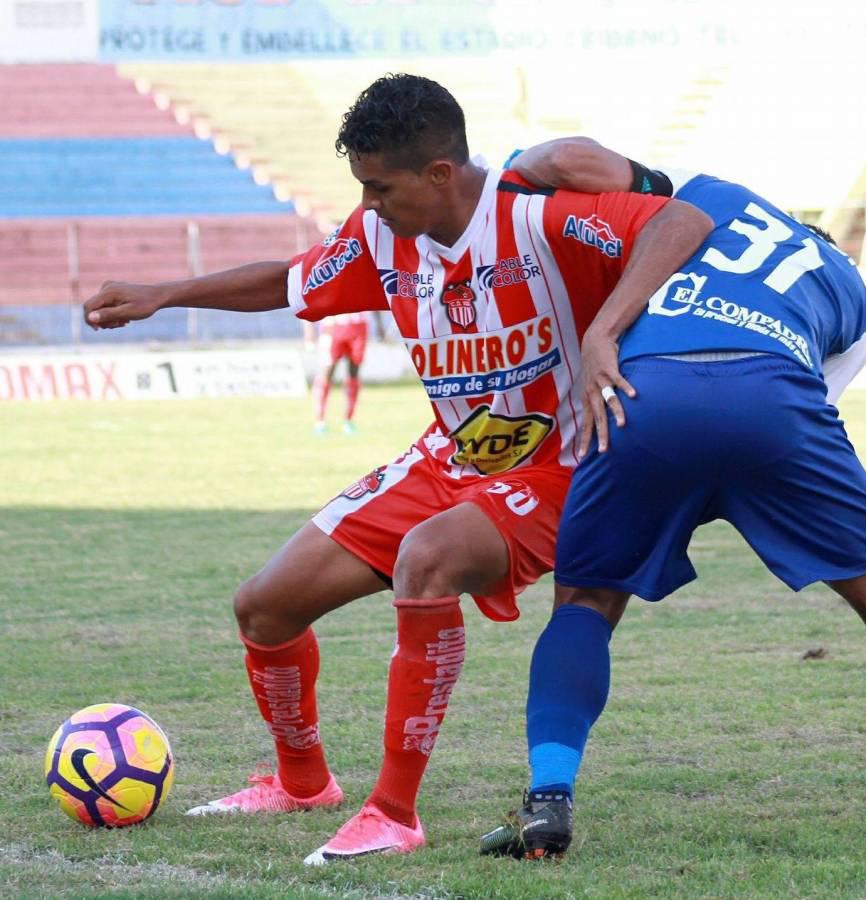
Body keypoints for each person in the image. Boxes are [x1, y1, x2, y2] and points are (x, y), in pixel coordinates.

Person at [83, 79, 711, 864]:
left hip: (566, 465)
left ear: (439, 173)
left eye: (380, 188)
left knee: (428, 559)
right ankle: (302, 783)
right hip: (448, 456)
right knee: (264, 607)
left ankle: (392, 813)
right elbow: (290, 280)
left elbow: (682, 221)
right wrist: (163, 294)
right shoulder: (380, 236)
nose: (368, 205)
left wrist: (606, 331)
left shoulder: (534, 212)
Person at [477, 138, 866, 860]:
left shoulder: (712, 197)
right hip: (771, 403)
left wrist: (511, 166)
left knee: (585, 601)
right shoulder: (854, 295)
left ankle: (547, 800)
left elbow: (575, 168)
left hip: (644, 397)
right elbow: (809, 402)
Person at [305, 312, 370, 434]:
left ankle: (349, 420)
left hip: (358, 324)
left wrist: (380, 325)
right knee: (327, 372)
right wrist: (309, 330)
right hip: (332, 325)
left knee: (354, 372)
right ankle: (320, 420)